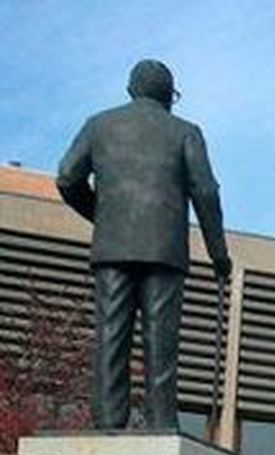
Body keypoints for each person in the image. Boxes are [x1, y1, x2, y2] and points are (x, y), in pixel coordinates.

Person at [56, 59, 232, 431]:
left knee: (110, 335)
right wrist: (219, 253)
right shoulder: (186, 132)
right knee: (161, 339)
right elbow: (205, 191)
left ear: (131, 90)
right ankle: (161, 421)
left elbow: (67, 178)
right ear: (169, 96)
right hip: (164, 250)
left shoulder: (98, 125)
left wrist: (103, 216)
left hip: (112, 248)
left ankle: (107, 420)